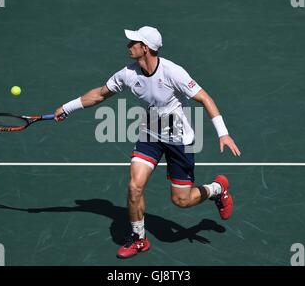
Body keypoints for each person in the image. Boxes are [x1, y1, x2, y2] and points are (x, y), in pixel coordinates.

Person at [54, 26, 241, 259]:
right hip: (150, 136)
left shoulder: (173, 72)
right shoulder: (128, 73)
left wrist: (223, 133)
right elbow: (101, 94)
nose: (128, 45)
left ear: (146, 48)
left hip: (179, 141)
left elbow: (205, 98)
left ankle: (217, 189)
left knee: (181, 201)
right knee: (134, 186)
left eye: (133, 42)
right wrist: (68, 108)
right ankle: (139, 238)